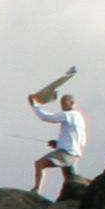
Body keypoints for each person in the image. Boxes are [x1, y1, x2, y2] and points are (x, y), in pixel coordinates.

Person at [25, 69, 85, 198]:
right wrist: (58, 143)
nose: (63, 107)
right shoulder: (79, 117)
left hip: (66, 153)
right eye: (62, 104)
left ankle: (36, 190)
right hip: (74, 154)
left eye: (65, 104)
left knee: (39, 164)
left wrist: (33, 105)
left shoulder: (69, 115)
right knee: (72, 180)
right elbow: (78, 138)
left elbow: (46, 117)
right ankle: (88, 189)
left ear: (72, 104)